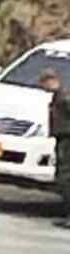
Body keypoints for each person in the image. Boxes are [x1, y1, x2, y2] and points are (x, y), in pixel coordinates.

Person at [39, 68, 70, 228]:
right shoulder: (59, 96)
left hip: (67, 139)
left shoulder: (64, 96)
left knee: (65, 177)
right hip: (62, 138)